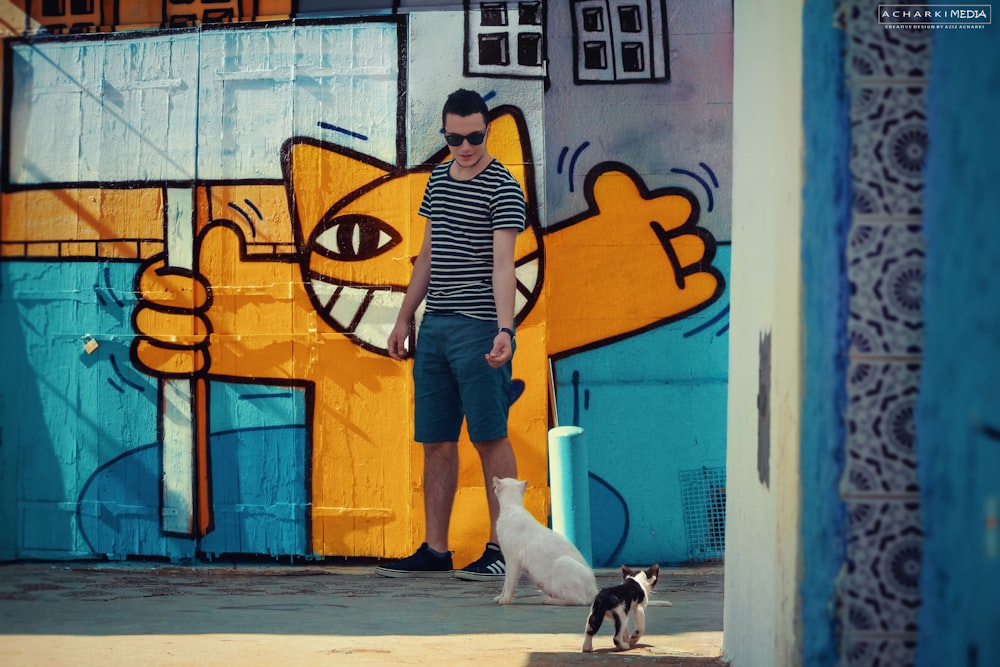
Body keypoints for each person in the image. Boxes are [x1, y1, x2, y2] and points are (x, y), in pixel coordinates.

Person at [375, 89, 525, 580]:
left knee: (490, 436)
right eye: (455, 137)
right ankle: (436, 552)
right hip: (436, 327)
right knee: (436, 441)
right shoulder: (438, 179)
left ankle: (504, 548)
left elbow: (505, 265)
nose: (465, 146)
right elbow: (428, 255)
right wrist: (404, 317)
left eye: (474, 136)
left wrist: (506, 328)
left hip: (481, 329)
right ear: (445, 134)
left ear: (487, 130)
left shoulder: (503, 186)